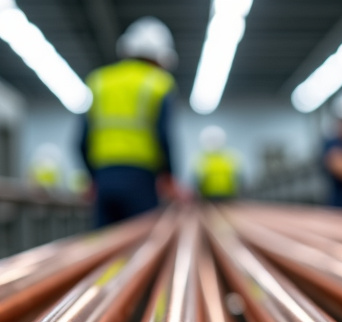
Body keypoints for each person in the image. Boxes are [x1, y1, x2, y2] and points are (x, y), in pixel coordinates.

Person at [80, 17, 181, 227]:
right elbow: (163, 136)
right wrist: (170, 177)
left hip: (104, 176)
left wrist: (92, 178)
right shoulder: (159, 84)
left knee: (105, 246)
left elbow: (81, 139)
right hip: (141, 180)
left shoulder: (99, 81)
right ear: (160, 58)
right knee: (143, 246)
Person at [194, 125, 240, 202]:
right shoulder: (201, 158)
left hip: (228, 197)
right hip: (207, 198)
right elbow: (197, 180)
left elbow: (238, 178)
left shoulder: (231, 157)